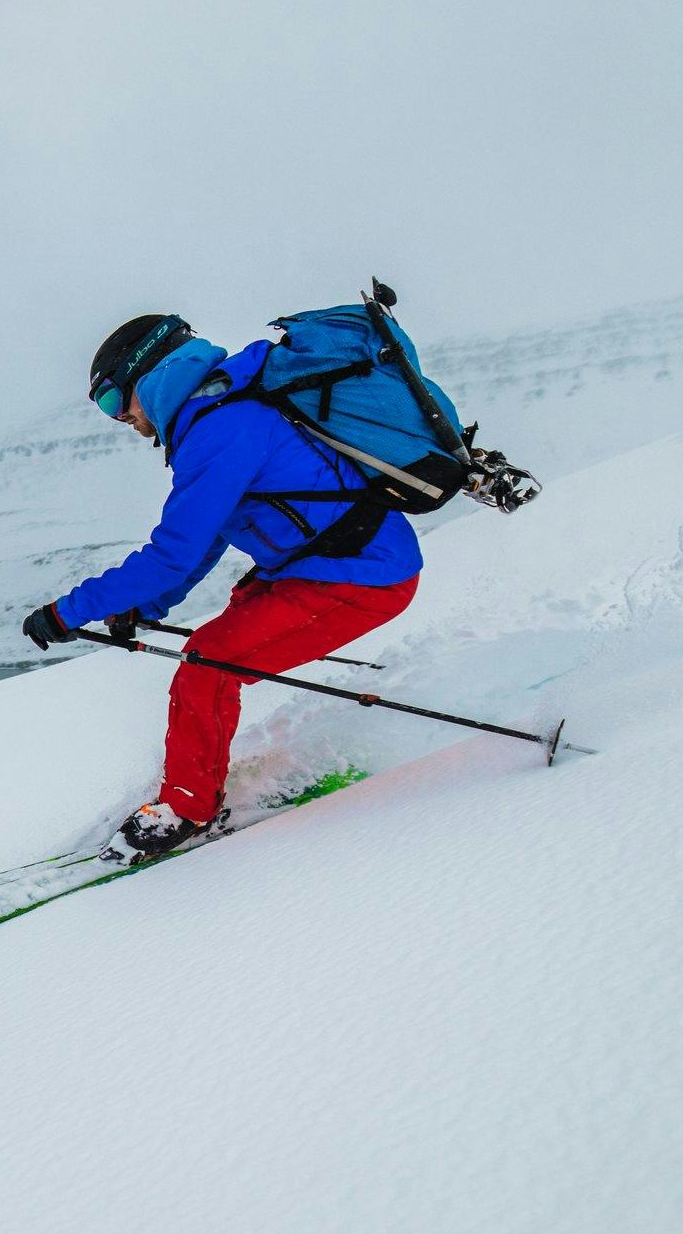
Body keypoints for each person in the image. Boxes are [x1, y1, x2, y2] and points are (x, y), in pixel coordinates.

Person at [21, 312, 423, 864]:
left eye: (117, 403)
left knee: (209, 663)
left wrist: (68, 611)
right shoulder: (216, 415)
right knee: (224, 641)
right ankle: (196, 783)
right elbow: (202, 545)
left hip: (363, 574)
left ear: (153, 375)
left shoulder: (221, 427)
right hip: (323, 565)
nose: (123, 420)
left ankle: (186, 809)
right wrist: (145, 604)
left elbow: (172, 553)